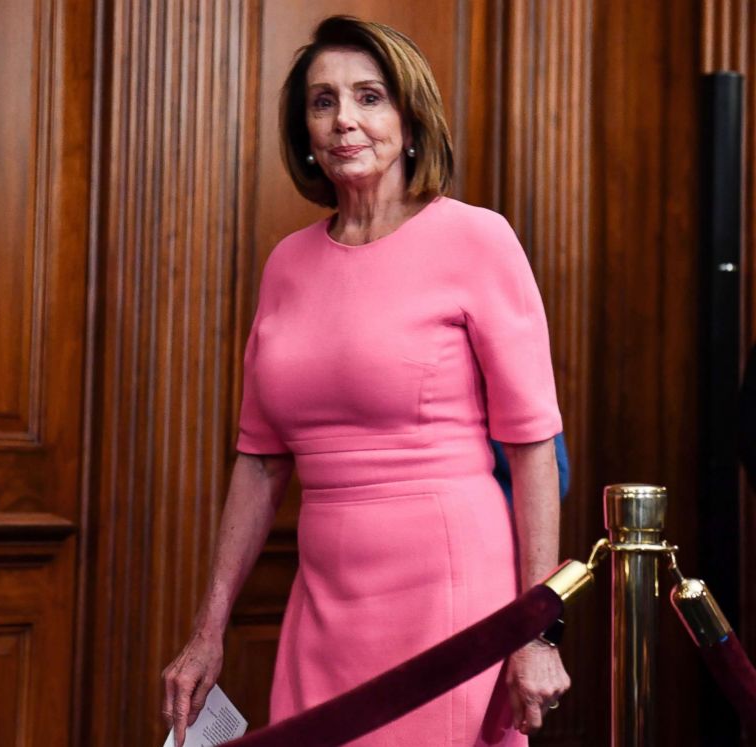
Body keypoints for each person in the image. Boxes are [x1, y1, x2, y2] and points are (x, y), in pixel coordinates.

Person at [162, 15, 570, 746]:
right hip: (321, 602)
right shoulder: (285, 263)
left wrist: (536, 630)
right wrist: (208, 630)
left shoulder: (478, 239)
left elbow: (534, 446)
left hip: (449, 593)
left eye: (368, 96)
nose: (344, 119)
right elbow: (259, 461)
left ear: (410, 119)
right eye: (322, 102)